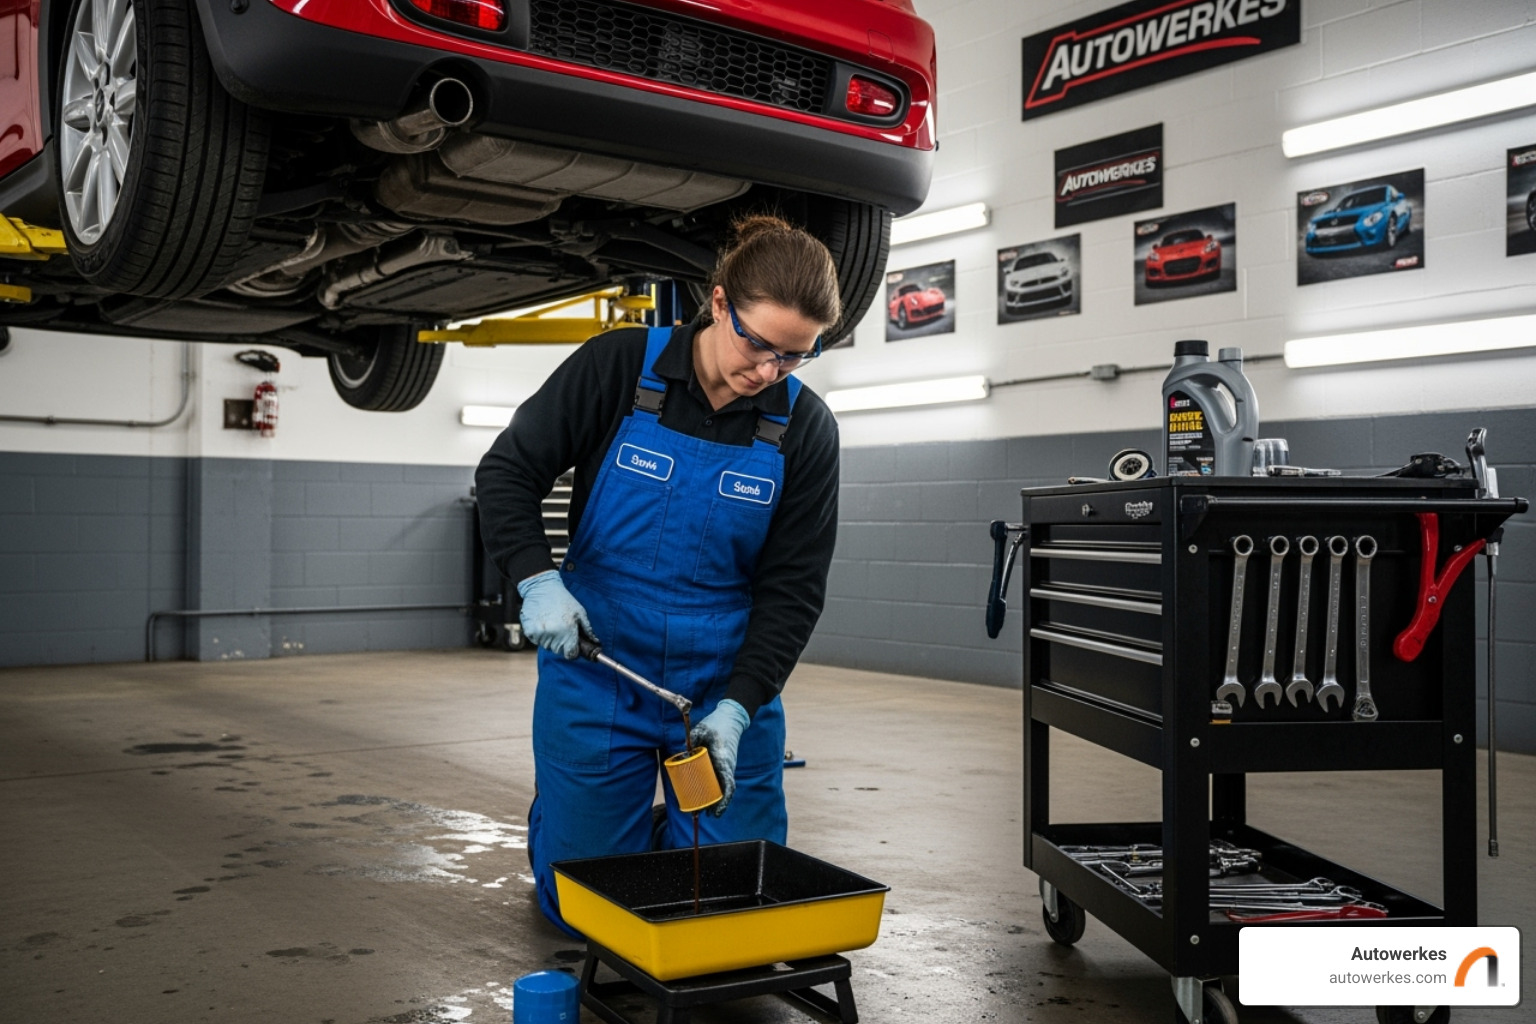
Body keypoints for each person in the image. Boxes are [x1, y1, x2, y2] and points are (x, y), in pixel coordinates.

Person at [475, 214, 842, 934]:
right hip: (600, 664)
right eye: (757, 344)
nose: (768, 372)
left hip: (720, 681)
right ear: (718, 303)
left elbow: (794, 590)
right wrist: (535, 580)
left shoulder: (805, 428)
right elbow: (507, 473)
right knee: (586, 907)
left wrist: (739, 707)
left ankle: (669, 825)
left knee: (731, 903)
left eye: (795, 357)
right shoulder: (618, 367)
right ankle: (581, 820)